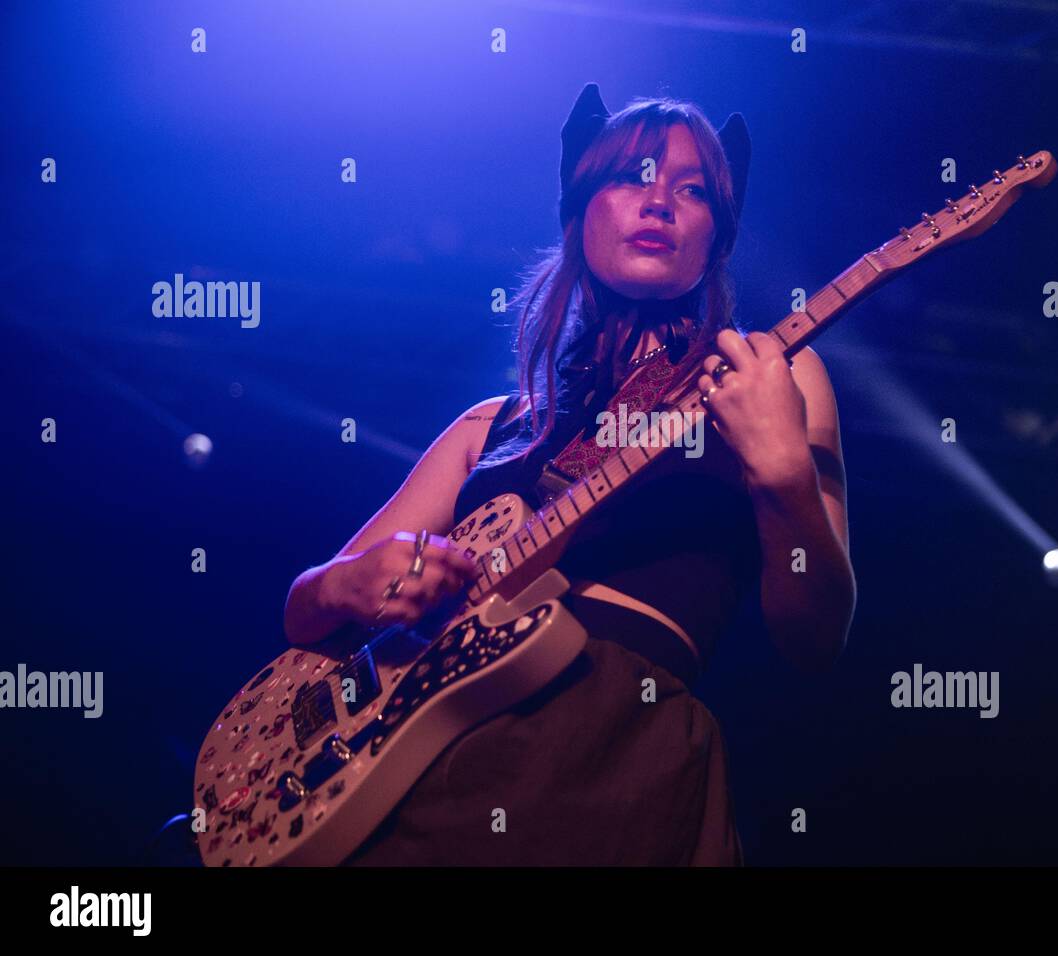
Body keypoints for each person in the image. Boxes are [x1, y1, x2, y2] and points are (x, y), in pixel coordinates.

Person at [281, 84, 856, 866]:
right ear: (578, 210)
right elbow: (304, 612)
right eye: (633, 176)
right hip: (412, 763)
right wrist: (347, 584)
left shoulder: (774, 374)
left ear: (715, 238)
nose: (660, 202)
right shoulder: (488, 427)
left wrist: (786, 476)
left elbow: (816, 638)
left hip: (608, 758)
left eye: (693, 191)